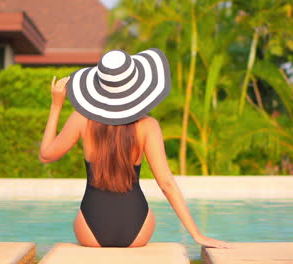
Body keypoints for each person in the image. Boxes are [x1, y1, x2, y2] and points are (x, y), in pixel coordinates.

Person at [39, 48, 231, 249]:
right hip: (137, 230)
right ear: (136, 86)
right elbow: (166, 183)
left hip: (90, 231)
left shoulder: (81, 120)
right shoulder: (148, 126)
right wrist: (197, 234)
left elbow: (46, 155)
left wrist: (56, 106)